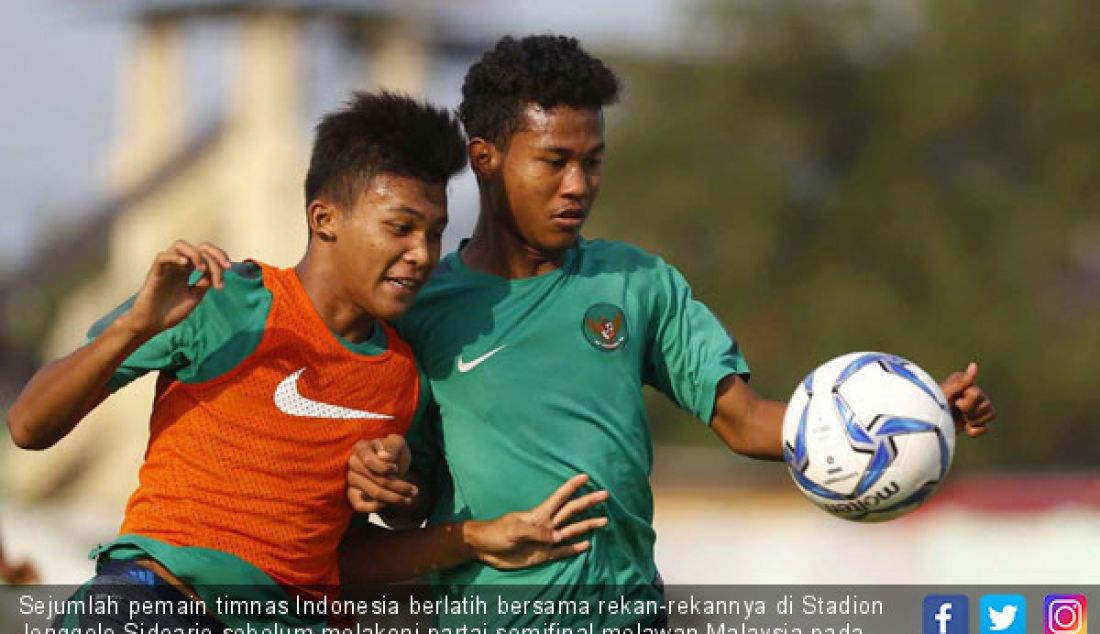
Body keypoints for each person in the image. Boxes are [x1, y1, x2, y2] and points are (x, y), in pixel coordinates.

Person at [346, 36, 998, 629]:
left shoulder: (638, 282)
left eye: (593, 161)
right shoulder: (421, 310)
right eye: (554, 161)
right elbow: (414, 499)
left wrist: (912, 414)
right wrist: (396, 489)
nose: (578, 185)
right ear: (484, 159)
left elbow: (746, 421)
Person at [7, 92, 608, 632]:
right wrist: (134, 327)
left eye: (435, 233)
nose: (420, 254)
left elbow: (342, 556)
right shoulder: (221, 298)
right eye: (400, 228)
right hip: (158, 601)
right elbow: (29, 427)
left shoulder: (401, 377)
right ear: (325, 219)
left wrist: (468, 535)